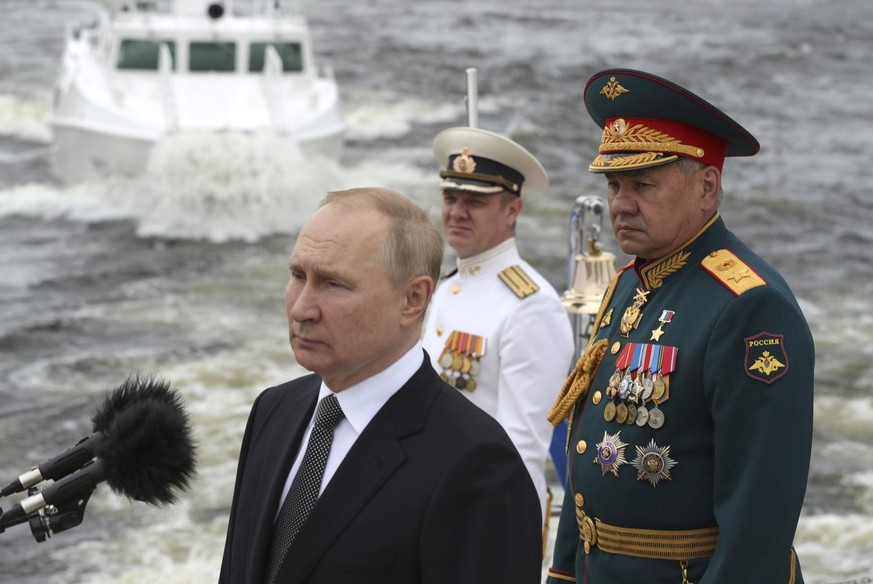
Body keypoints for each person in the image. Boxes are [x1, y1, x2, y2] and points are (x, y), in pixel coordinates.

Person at [545, 68, 815, 583]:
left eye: (643, 184)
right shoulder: (630, 281)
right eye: (614, 184)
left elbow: (760, 517)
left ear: (708, 187)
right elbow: (586, 447)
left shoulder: (750, 307)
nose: (620, 203)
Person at [219, 187, 543, 584]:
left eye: (334, 284)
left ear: (413, 299)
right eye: (298, 276)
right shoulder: (274, 411)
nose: (302, 308)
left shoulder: (477, 465)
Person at [423, 127, 575, 523]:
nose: (456, 212)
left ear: (512, 211)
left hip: (476, 514)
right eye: (450, 197)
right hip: (426, 499)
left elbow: (521, 450)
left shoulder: (530, 305)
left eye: (474, 202)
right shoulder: (446, 287)